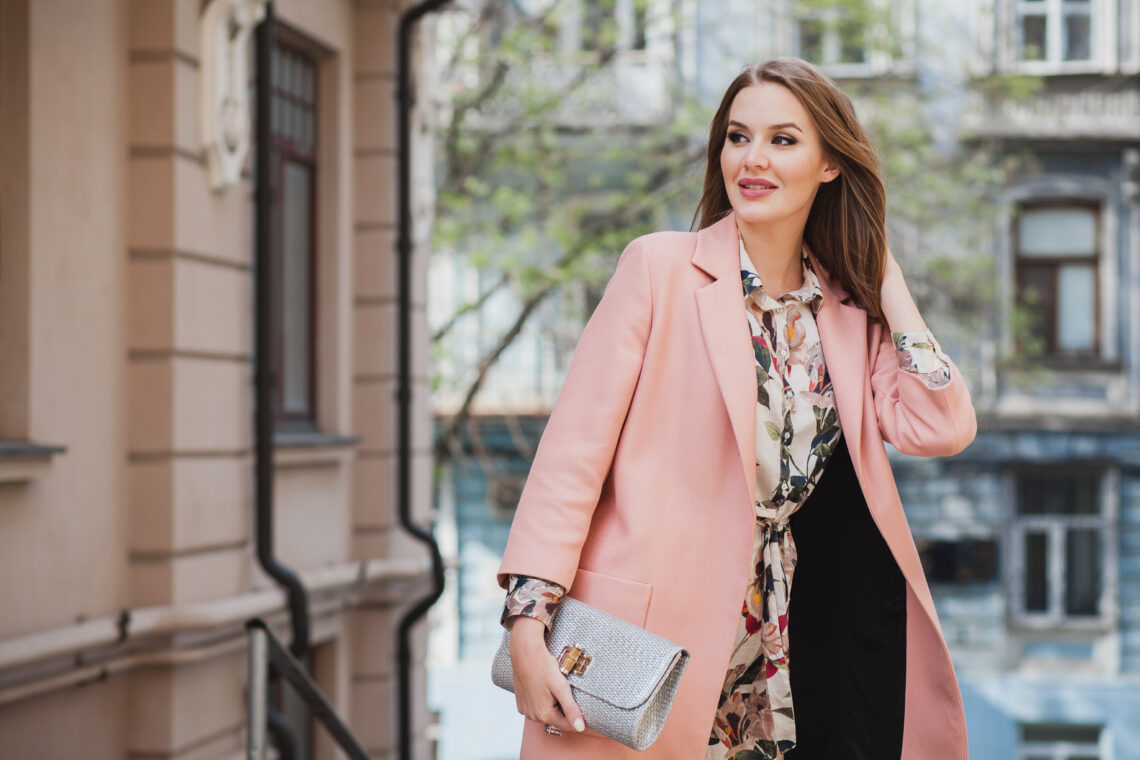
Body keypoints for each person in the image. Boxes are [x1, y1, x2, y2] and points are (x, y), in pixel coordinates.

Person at [495, 57, 977, 760]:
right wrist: (526, 622)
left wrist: (888, 282)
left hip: (793, 643)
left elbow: (940, 426)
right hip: (654, 639)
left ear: (830, 165)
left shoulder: (848, 312)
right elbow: (571, 461)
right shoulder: (660, 269)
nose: (752, 159)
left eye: (783, 140)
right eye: (737, 136)